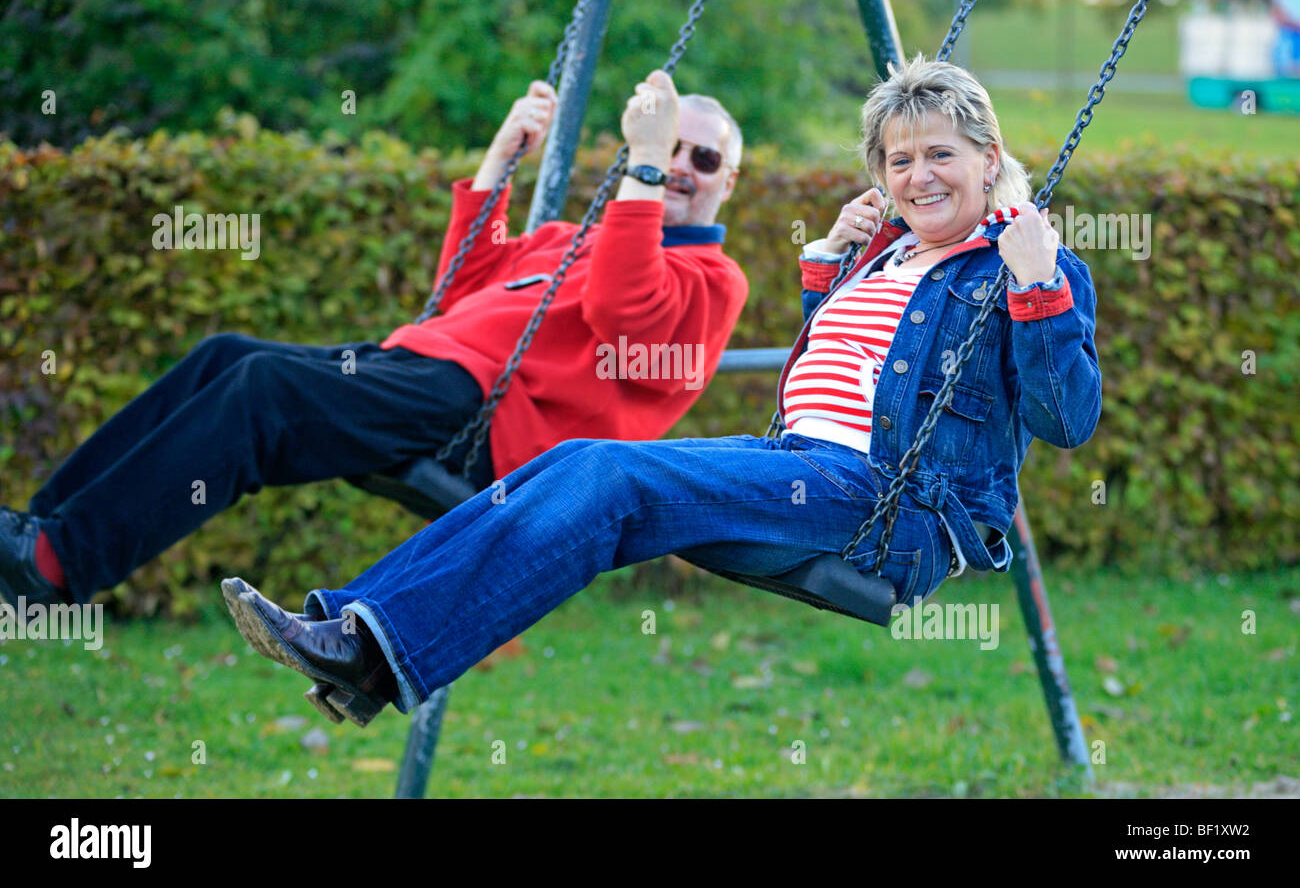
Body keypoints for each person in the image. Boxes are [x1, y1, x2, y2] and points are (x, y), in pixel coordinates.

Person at [224, 54, 1103, 728]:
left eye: (940, 155)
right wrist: (829, 270)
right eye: (900, 160)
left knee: (613, 482)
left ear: (989, 159)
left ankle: (366, 648)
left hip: (888, 508)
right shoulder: (892, 251)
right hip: (802, 467)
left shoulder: (1027, 263)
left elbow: (1066, 419)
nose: (918, 178)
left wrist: (1038, 287)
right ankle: (360, 645)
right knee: (580, 464)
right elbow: (848, 375)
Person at [0, 70, 748, 608]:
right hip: (424, 365)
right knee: (226, 356)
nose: (681, 167)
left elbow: (626, 310)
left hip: (486, 419)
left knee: (264, 394)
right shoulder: (571, 239)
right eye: (671, 149)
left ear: (729, 181)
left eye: (702, 158)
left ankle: (63, 563)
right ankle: (46, 529)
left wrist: (643, 164)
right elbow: (460, 287)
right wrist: (499, 160)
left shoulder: (715, 282)